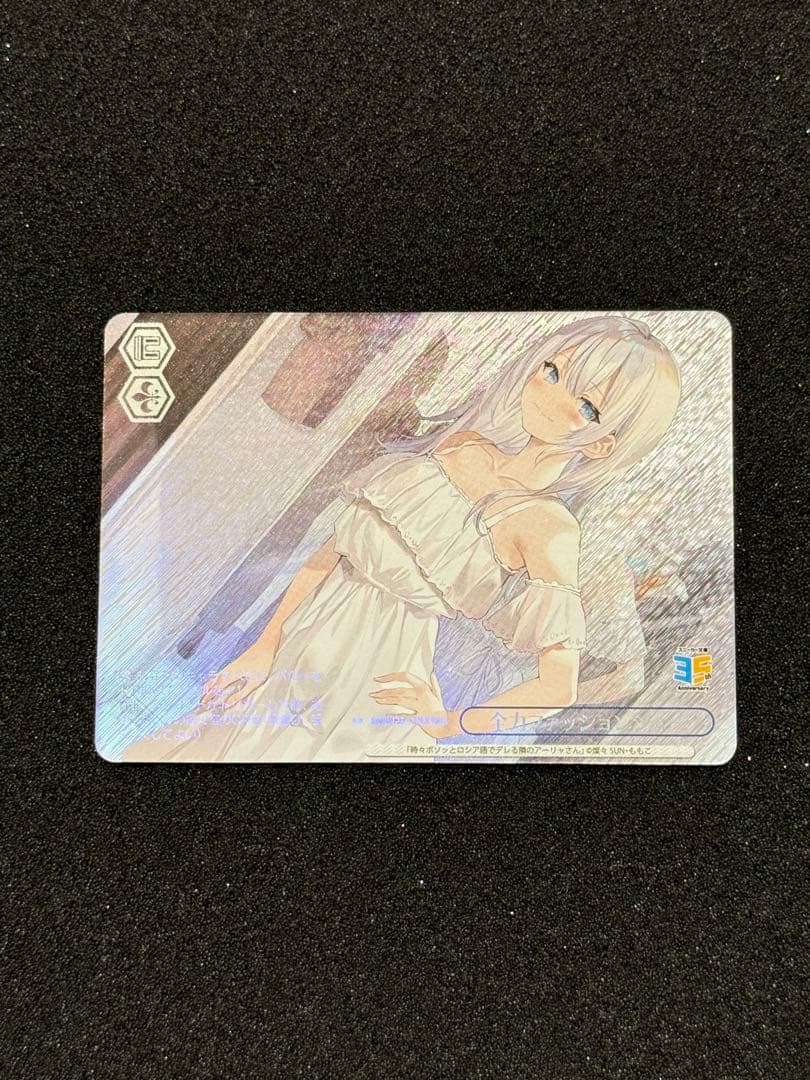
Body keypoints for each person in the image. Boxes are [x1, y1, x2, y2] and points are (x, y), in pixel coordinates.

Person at [121, 315, 681, 763]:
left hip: (374, 687)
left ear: (603, 444)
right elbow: (333, 553)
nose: (551, 396)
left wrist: (448, 723)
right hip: (298, 648)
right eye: (553, 371)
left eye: (587, 406)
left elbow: (559, 686)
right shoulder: (461, 445)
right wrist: (264, 647)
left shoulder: (548, 526)